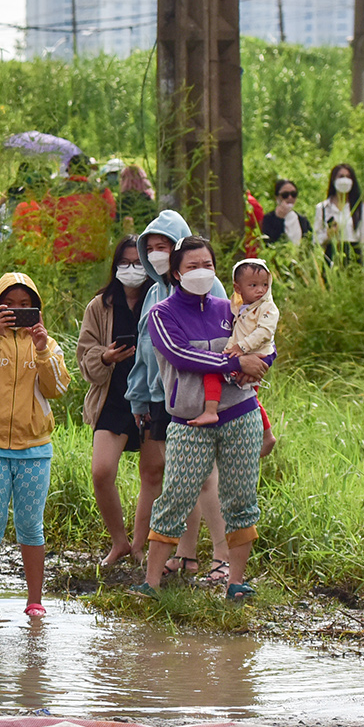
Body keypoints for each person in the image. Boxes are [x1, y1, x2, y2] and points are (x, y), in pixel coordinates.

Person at [136, 236, 273, 602]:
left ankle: (236, 582)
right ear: (176, 272)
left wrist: (256, 368)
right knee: (175, 496)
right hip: (189, 421)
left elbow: (262, 345)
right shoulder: (161, 314)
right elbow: (181, 357)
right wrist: (234, 362)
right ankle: (151, 584)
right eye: (193, 266)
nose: (201, 272)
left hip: (240, 415)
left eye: (208, 266)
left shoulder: (231, 309)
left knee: (241, 499)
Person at [125, 211, 229, 581]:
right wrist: (139, 399)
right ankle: (186, 554)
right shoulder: (155, 293)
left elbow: (223, 340)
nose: (156, 255)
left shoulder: (209, 288)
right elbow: (143, 351)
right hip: (162, 397)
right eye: (149, 248)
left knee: (206, 477)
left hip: (203, 394)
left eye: (164, 247)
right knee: (180, 476)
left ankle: (222, 555)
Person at [0, 272, 72, 621]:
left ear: (37, 309)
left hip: (35, 449)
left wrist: (41, 350)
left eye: (27, 306)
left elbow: (57, 388)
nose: (18, 311)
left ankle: (35, 600)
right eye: (9, 305)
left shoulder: (48, 345)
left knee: (31, 524)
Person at [77, 235, 149, 569]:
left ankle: (140, 544)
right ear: (115, 266)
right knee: (102, 471)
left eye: (139, 262)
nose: (132, 269)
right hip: (113, 398)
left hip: (153, 399)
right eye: (125, 262)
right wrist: (105, 357)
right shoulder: (100, 305)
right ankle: (119, 542)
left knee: (154, 474)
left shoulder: (159, 297)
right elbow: (84, 354)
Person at [187, 258, 278, 429]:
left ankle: (211, 411)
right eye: (253, 285)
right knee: (246, 393)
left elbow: (266, 333)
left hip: (254, 355)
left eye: (265, 285)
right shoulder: (237, 307)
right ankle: (266, 433)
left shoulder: (267, 308)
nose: (261, 290)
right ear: (238, 288)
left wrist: (242, 349)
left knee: (248, 397)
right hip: (239, 355)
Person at [315, 162, 364, 271]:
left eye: (348, 177)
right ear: (334, 180)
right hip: (332, 255)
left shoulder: (358, 207)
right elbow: (315, 239)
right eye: (341, 176)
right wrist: (328, 235)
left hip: (354, 256)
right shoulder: (323, 208)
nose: (344, 180)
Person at [260, 179, 304, 246]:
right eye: (285, 195)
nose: (290, 197)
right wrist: (279, 219)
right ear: (276, 197)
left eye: (293, 194)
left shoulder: (302, 219)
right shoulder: (268, 218)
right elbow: (269, 242)